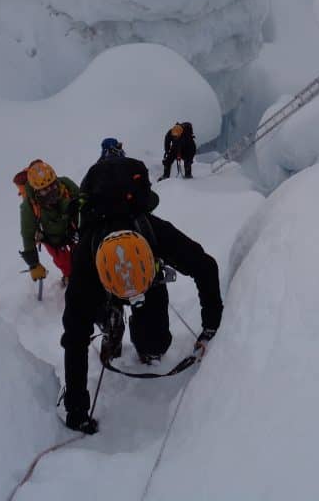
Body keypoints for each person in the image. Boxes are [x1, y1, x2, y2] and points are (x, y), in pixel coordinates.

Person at [60, 139, 223, 434]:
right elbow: (74, 337)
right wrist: (77, 408)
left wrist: (212, 325)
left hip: (146, 279)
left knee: (155, 342)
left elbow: (204, 265)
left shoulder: (151, 231)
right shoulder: (85, 262)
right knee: (94, 312)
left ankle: (143, 341)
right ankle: (112, 323)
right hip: (105, 287)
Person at [15, 159, 81, 286]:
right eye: (45, 190)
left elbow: (83, 199)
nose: (51, 191)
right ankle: (69, 276)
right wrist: (34, 264)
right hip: (52, 238)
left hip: (72, 228)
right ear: (36, 191)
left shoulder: (65, 184)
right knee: (64, 263)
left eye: (53, 186)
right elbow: (27, 234)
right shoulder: (29, 206)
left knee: (82, 255)